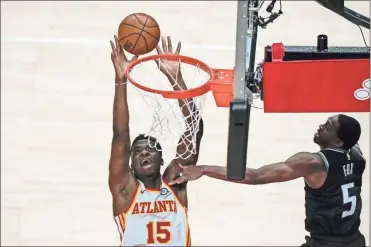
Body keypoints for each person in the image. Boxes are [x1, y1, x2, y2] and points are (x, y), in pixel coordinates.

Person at [170, 114, 366, 247]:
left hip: (326, 243)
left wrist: (204, 169)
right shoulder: (358, 157)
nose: (321, 126)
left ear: (338, 141)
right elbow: (352, 140)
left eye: (328, 127)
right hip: (355, 240)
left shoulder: (312, 162)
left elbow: (256, 176)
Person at [108, 35, 204, 246]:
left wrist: (176, 78)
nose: (144, 152)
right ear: (130, 163)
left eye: (151, 148)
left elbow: (194, 129)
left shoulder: (175, 182)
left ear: (162, 159)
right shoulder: (126, 189)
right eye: (139, 150)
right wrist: (121, 80)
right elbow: (121, 135)